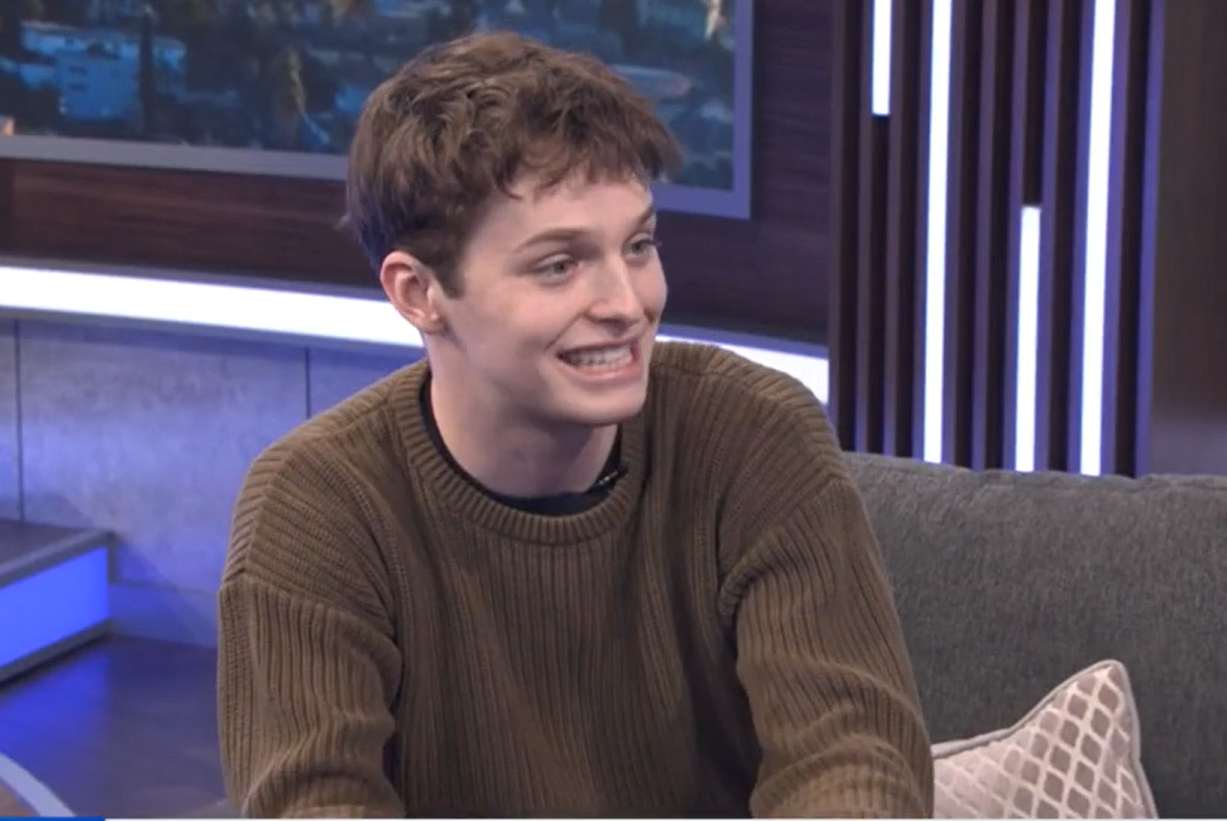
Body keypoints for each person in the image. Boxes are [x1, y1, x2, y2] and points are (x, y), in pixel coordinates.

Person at [217, 30, 934, 818]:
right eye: (559, 264)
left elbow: (849, 761)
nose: (627, 304)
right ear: (418, 292)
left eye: (638, 245)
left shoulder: (754, 434)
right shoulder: (319, 506)